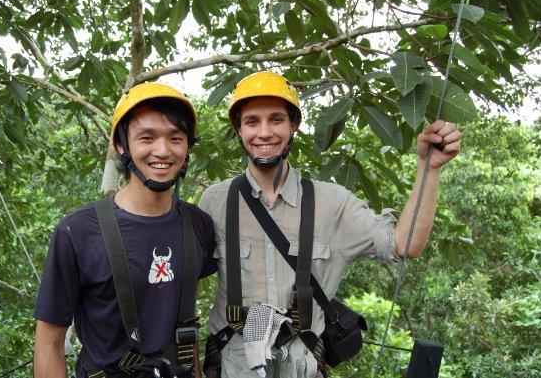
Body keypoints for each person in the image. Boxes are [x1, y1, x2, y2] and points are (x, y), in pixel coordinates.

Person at [199, 71, 462, 378]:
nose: (265, 132)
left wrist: (428, 169)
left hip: (302, 367)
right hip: (233, 367)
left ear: (293, 125)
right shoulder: (215, 201)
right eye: (252, 121)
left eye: (276, 120)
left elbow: (405, 244)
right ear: (239, 129)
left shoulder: (332, 203)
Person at [33, 82, 216, 378]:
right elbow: (49, 342)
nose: (162, 150)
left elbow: (184, 323)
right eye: (147, 137)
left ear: (187, 148)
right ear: (122, 145)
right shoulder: (78, 232)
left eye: (176, 138)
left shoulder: (197, 224)